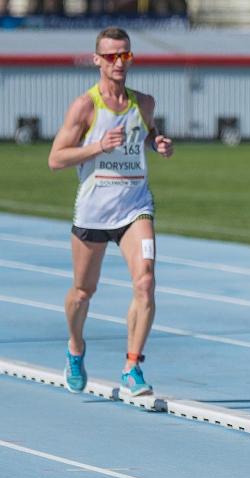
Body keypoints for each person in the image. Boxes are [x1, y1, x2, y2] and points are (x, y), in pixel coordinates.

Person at [48, 27, 173, 397]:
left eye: (125, 55)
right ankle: (75, 346)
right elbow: (56, 159)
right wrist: (98, 146)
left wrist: (158, 142)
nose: (119, 62)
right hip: (93, 211)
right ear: (97, 60)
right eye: (111, 56)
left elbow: (148, 133)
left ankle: (132, 366)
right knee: (83, 292)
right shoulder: (85, 106)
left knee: (146, 282)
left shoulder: (144, 102)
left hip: (135, 207)